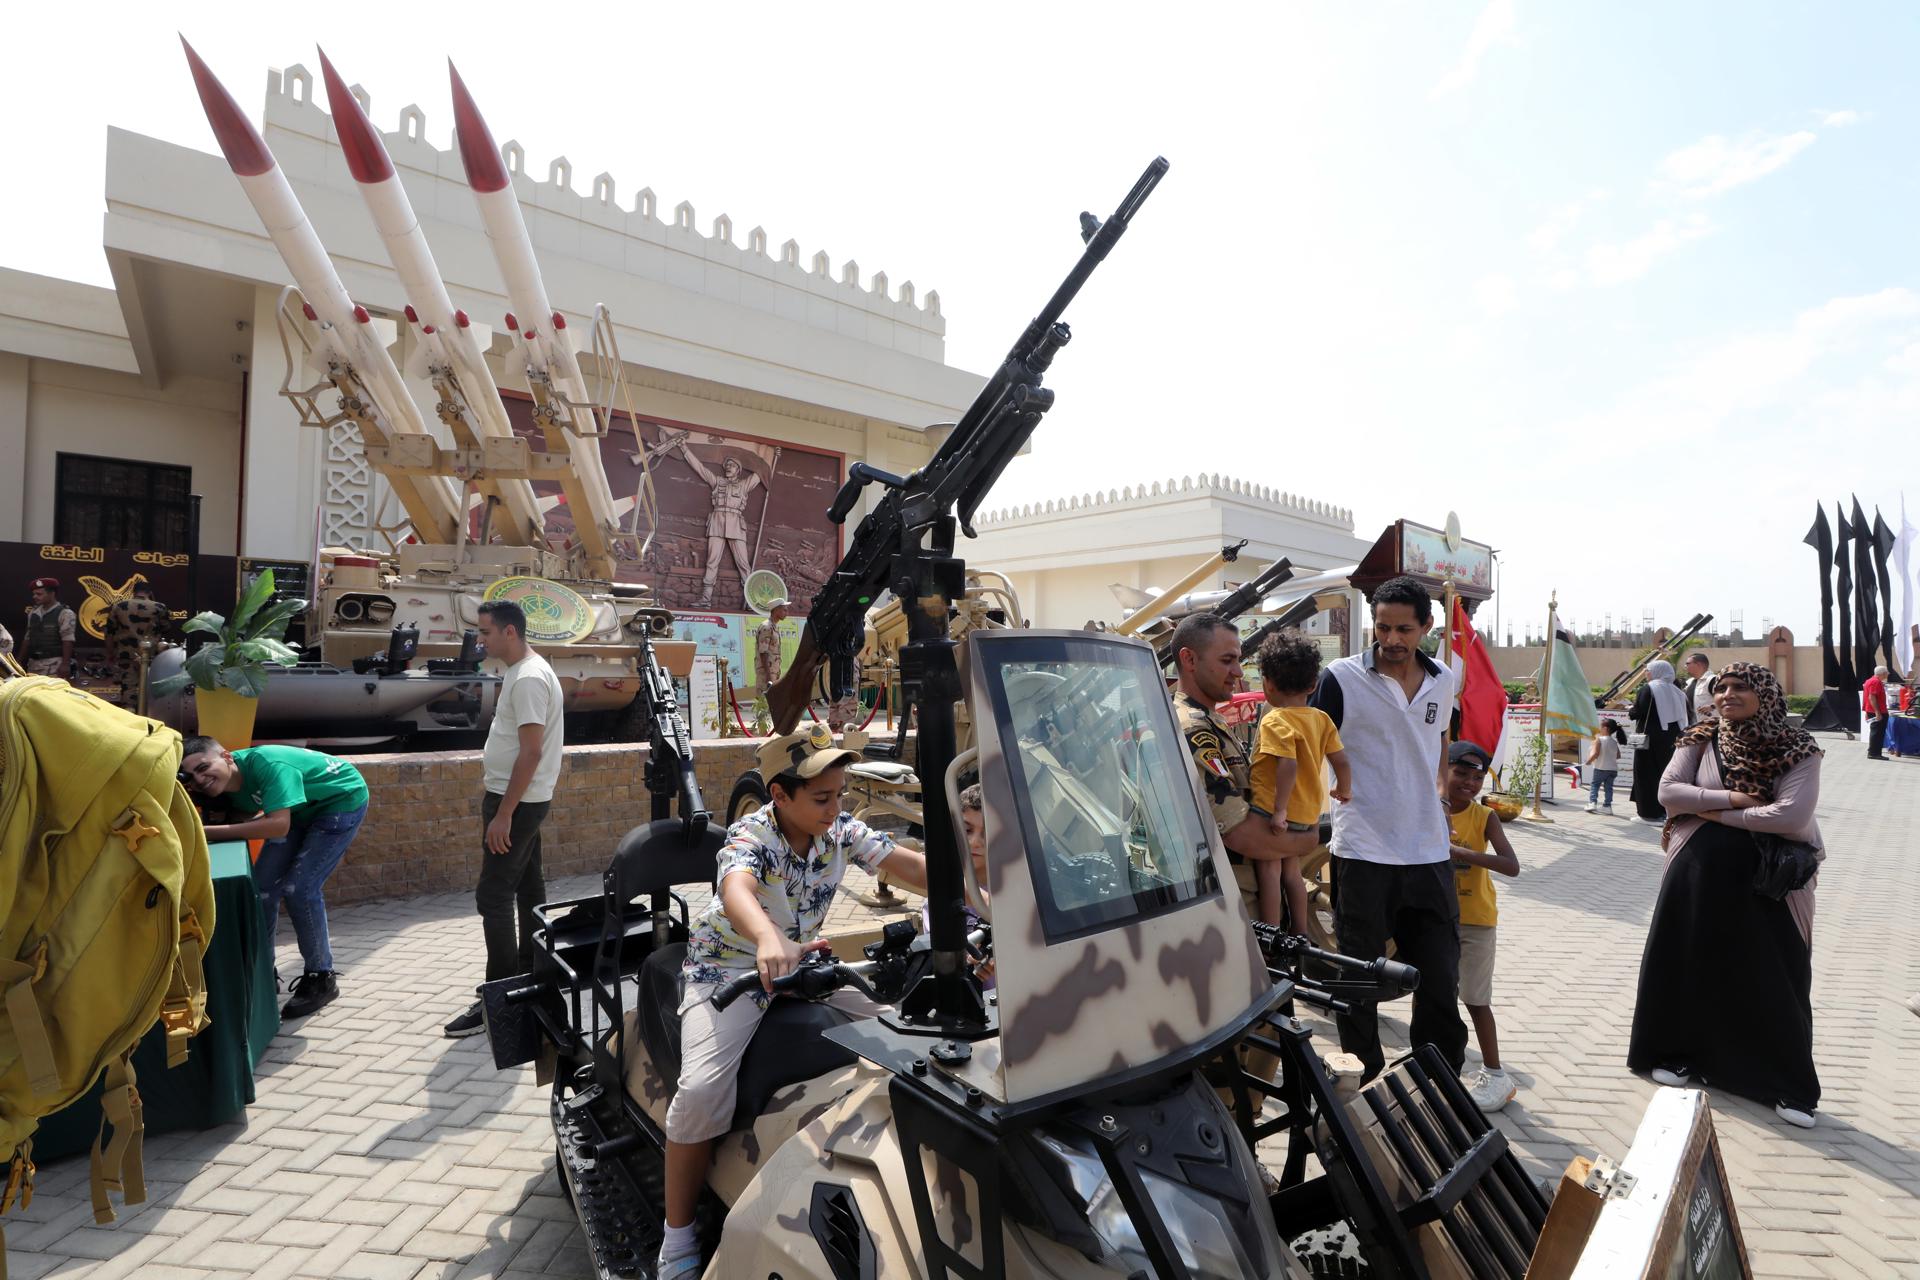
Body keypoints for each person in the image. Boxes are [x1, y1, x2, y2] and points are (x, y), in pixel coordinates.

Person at [657, 724, 929, 1278]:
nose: (836, 808)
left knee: (906, 1041)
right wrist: (766, 938)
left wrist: (979, 888)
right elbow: (737, 890)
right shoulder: (750, 836)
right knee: (703, 1092)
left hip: (801, 964)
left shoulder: (839, 830)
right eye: (822, 798)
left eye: (841, 794)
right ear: (779, 795)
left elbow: (906, 865)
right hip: (729, 970)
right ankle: (678, 1238)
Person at [1626, 661, 1824, 1128]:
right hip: (1696, 872)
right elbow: (1669, 792)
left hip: (1772, 882)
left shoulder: (1798, 748)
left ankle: (1785, 1083)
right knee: (1688, 959)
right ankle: (1675, 1055)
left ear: (1766, 694)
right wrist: (1733, 801)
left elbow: (1791, 818)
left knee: (1773, 972)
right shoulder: (1700, 738)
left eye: (1739, 687)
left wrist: (1710, 812)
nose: (1727, 694)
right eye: (1721, 687)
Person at [1308, 575, 1466, 1082]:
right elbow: (1311, 745)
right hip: (1363, 850)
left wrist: (1441, 794)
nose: (1392, 640)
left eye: (1403, 629)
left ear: (1426, 627)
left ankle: (1437, 1079)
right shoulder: (1341, 677)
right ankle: (1361, 1077)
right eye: (1382, 628)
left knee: (1439, 978)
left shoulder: (1443, 679)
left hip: (1428, 851)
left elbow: (1439, 740)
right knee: (1360, 976)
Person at [445, 599, 565, 1039]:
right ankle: (532, 977)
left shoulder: (529, 678)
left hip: (515, 803)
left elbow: (531, 751)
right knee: (529, 889)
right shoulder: (523, 672)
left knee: (493, 895)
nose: (481, 639)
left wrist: (505, 815)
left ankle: (499, 997)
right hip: (520, 800)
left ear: (510, 632)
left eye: (487, 632)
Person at [181, 736, 367, 1018]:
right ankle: (264, 975)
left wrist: (202, 832)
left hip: (338, 802)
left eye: (204, 767)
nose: (200, 778)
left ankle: (321, 977)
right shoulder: (222, 788)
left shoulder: (268, 764)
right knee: (263, 890)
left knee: (300, 890)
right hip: (297, 811)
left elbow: (278, 826)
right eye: (191, 776)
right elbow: (246, 816)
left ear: (228, 757)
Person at [1169, 613, 1298, 923]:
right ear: (1189, 659)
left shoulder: (1211, 720)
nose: (1238, 671)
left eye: (1238, 660)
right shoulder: (1191, 728)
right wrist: (1306, 840)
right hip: (1229, 906)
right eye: (1227, 660)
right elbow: (1241, 835)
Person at [1442, 741, 1522, 1112]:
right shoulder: (1428, 808)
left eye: (1477, 778)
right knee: (1434, 996)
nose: (1470, 784)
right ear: (1443, 769)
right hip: (1436, 918)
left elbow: (1511, 865)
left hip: (1476, 922)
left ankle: (1496, 1073)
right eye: (1461, 773)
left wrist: (1462, 853)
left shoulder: (1483, 816)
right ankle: (1440, 1066)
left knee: (1475, 1000)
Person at [1254, 629, 1351, 931]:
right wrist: (1343, 789)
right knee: (1293, 874)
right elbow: (1342, 761)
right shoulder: (1321, 719)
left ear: (1267, 684)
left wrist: (1279, 810)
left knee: (1270, 871)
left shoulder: (1275, 719)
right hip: (1306, 814)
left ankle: (1272, 937)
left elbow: (1287, 765)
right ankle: (1300, 933)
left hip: (1274, 811)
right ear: (1313, 684)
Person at [675, 439, 763, 609]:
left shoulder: (744, 485)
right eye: (727, 465)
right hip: (716, 523)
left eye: (732, 465)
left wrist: (771, 457)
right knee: (712, 561)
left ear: (738, 470)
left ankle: (753, 602)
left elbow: (761, 473)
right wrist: (684, 448)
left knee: (743, 564)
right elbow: (699, 468)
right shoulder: (717, 481)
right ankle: (706, 599)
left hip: (736, 525)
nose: (728, 467)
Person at [1629, 659, 1688, 822]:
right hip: (1671, 738)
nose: (1646, 673)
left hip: (1649, 740)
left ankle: (1648, 814)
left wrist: (1630, 710)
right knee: (1665, 774)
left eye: (1648, 670)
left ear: (1656, 671)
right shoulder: (1677, 691)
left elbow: (1637, 712)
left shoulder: (1649, 688)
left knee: (1645, 774)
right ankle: (1665, 811)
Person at [105, 579, 173, 707]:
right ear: (149, 592)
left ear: (133, 592)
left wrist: (110, 653)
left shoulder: (119, 606)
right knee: (151, 687)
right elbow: (166, 629)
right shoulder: (159, 607)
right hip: (151, 656)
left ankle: (130, 714)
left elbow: (109, 633)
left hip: (126, 655)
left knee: (129, 688)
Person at [20, 578, 76, 678]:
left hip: (54, 665)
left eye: (39, 594)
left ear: (52, 593)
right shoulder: (33, 613)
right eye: (34, 594)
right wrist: (19, 661)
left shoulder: (65, 613)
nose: (35, 597)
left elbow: (67, 640)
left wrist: (65, 664)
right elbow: (27, 638)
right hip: (33, 664)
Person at [1583, 718, 1625, 815]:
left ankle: (1592, 803)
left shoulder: (1600, 739)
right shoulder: (1614, 742)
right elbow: (1618, 756)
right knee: (1608, 788)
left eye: (1600, 727)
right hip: (1613, 770)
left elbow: (1596, 753)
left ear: (1605, 728)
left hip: (1601, 768)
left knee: (1595, 785)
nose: (1599, 729)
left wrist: (1588, 761)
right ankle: (1607, 806)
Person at [754, 599, 789, 701]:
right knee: (763, 705)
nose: (786, 613)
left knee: (773, 703)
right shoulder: (767, 627)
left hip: (773, 672)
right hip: (766, 674)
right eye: (784, 610)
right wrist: (768, 676)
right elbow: (763, 652)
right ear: (776, 610)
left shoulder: (774, 627)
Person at [1863, 664, 1890, 760]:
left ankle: (1874, 751)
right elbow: (1872, 697)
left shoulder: (1870, 681)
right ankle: (1874, 753)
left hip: (1873, 710)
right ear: (1882, 673)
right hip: (1878, 711)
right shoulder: (1875, 682)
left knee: (1876, 732)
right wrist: (1877, 712)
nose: (1888, 674)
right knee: (1877, 732)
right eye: (1887, 673)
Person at [1682, 651, 1715, 725]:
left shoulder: (1712, 680)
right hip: (1693, 726)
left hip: (1710, 727)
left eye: (1688, 664)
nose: (1685, 666)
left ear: (1699, 665)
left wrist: (1712, 706)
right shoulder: (1690, 682)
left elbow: (1726, 699)